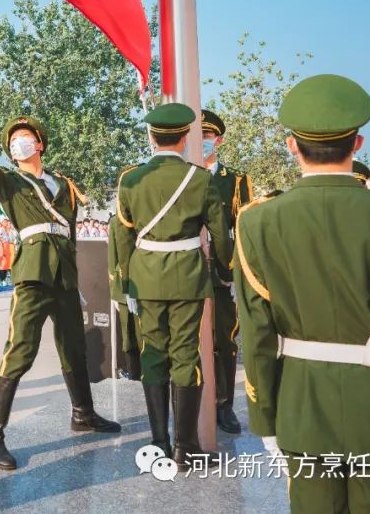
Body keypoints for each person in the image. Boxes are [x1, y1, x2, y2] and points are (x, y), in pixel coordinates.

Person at [236, 74, 370, 513]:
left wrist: (264, 420)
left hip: (301, 406)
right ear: (357, 144)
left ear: (290, 145)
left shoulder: (256, 223)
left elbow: (257, 334)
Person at [0, 79, 120, 471]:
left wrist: (74, 279)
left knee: (74, 346)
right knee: (20, 349)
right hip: (33, 273)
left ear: (39, 143)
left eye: (23, 137)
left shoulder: (64, 186)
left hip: (64, 276)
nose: (17, 144)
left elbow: (69, 233)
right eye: (12, 141)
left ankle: (82, 413)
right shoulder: (9, 183)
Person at [116, 103, 232, 470]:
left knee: (153, 353)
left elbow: (124, 233)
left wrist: (125, 279)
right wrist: (225, 271)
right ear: (184, 138)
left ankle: (158, 444)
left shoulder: (130, 179)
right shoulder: (201, 179)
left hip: (145, 274)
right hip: (188, 275)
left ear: (152, 138)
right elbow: (220, 233)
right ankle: (186, 448)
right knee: (185, 354)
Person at [201, 109, 254, 435]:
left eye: (207, 137)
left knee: (224, 340)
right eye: (198, 137)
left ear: (218, 140)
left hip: (222, 273)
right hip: (186, 270)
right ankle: (188, 404)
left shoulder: (235, 181)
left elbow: (244, 229)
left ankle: (224, 406)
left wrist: (238, 273)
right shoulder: (184, 176)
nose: (203, 142)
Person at [107, 217, 142, 380]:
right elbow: (113, 256)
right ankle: (134, 376)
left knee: (143, 335)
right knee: (129, 337)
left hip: (145, 282)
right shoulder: (116, 221)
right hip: (123, 285)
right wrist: (114, 290)